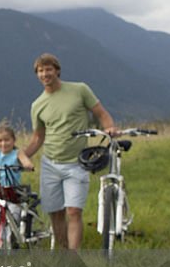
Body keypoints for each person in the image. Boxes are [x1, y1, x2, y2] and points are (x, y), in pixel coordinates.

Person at [22, 53, 118, 250]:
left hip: (76, 163)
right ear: (37, 75)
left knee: (73, 211)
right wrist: (20, 156)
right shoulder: (37, 105)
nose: (44, 74)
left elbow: (101, 113)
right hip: (50, 164)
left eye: (48, 69)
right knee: (55, 213)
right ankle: (63, 253)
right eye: (40, 71)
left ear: (57, 70)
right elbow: (38, 138)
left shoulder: (79, 90)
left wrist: (109, 128)